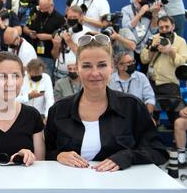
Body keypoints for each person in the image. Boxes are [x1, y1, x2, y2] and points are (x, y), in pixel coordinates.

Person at [45, 33, 168, 171]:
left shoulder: (133, 107)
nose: (95, 73)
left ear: (112, 68)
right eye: (86, 66)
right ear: (77, 68)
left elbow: (158, 152)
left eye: (102, 65)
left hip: (119, 188)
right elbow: (46, 153)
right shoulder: (58, 110)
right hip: (70, 189)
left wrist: (127, 156)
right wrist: (58, 155)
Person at [140, 16, 187, 127]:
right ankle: (152, 141)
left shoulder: (180, 41)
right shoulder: (153, 38)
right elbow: (143, 59)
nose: (164, 30)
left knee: (175, 119)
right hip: (152, 83)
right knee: (151, 118)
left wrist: (171, 51)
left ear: (173, 26)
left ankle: (176, 142)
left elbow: (182, 64)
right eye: (161, 27)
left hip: (170, 84)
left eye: (167, 27)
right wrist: (152, 49)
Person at [121, 0, 161, 74]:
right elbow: (126, 27)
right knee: (130, 73)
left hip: (146, 47)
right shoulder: (126, 10)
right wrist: (140, 13)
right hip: (132, 48)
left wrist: (154, 14)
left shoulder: (150, 9)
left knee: (147, 74)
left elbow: (154, 30)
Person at [24, 0, 65, 77]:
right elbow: (26, 27)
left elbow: (63, 36)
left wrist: (48, 37)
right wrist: (30, 33)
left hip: (48, 55)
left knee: (46, 78)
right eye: (40, 8)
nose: (42, 11)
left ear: (51, 5)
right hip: (34, 53)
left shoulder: (60, 18)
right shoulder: (36, 13)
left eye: (44, 8)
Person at [51, 5, 89, 80]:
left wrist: (69, 42)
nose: (72, 19)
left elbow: (85, 56)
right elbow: (54, 56)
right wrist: (56, 45)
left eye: (74, 17)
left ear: (81, 16)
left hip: (77, 74)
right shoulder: (63, 30)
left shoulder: (87, 32)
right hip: (59, 72)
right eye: (69, 17)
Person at [17, 58, 54, 123]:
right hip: (23, 114)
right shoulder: (22, 78)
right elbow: (15, 99)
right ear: (28, 71)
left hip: (40, 115)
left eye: (39, 73)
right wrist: (29, 96)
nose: (37, 75)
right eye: (35, 73)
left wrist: (48, 115)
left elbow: (50, 99)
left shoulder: (46, 78)